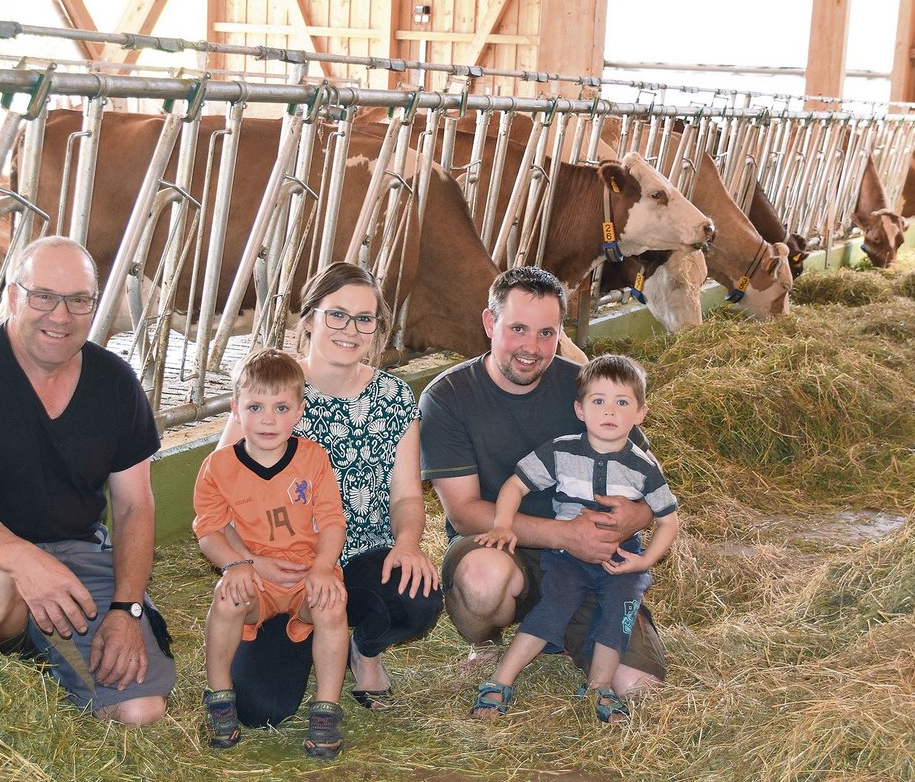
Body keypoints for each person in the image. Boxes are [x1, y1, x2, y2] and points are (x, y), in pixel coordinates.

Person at [0, 235, 175, 725]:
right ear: (13, 297)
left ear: (95, 306)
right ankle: (14, 642)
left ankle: (46, 643)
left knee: (141, 715)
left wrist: (126, 609)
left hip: (77, 547)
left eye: (78, 300)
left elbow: (135, 506)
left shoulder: (116, 382)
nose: (60, 315)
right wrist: (26, 561)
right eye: (43, 296)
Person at [419, 266, 668, 697]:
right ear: (489, 323)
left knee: (636, 686)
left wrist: (635, 516)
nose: (531, 348)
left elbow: (649, 479)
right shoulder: (448, 397)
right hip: (503, 544)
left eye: (546, 333)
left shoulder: (585, 386)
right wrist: (565, 535)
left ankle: (568, 629)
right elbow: (462, 513)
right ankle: (489, 640)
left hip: (589, 560)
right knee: (482, 581)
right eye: (517, 329)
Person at [214, 262, 442, 727]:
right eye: (336, 315)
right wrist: (246, 562)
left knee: (417, 595)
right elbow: (220, 493)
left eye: (365, 319)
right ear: (310, 318)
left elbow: (405, 495)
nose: (350, 330)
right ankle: (306, 638)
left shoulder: (395, 398)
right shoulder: (271, 389)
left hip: (357, 559)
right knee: (261, 710)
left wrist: (407, 543)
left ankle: (365, 649)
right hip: (280, 568)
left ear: (377, 328)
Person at [472, 354, 679, 723]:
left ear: (641, 413)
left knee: (619, 614)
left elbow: (668, 520)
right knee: (555, 605)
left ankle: (600, 687)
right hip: (567, 555)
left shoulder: (643, 468)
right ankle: (500, 680)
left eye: (622, 402)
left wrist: (645, 562)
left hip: (621, 558)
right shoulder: (562, 450)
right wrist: (503, 523)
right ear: (580, 410)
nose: (609, 411)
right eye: (598, 401)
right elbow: (516, 484)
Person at [193, 348, 348, 756]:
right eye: (255, 406)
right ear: (235, 409)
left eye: (281, 407)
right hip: (256, 578)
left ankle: (326, 709)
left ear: (298, 411)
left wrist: (322, 569)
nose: (267, 419)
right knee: (226, 598)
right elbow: (208, 530)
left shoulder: (313, 459)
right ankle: (219, 698)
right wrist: (237, 563)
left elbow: (332, 521)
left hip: (304, 575)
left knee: (333, 602)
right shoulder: (218, 467)